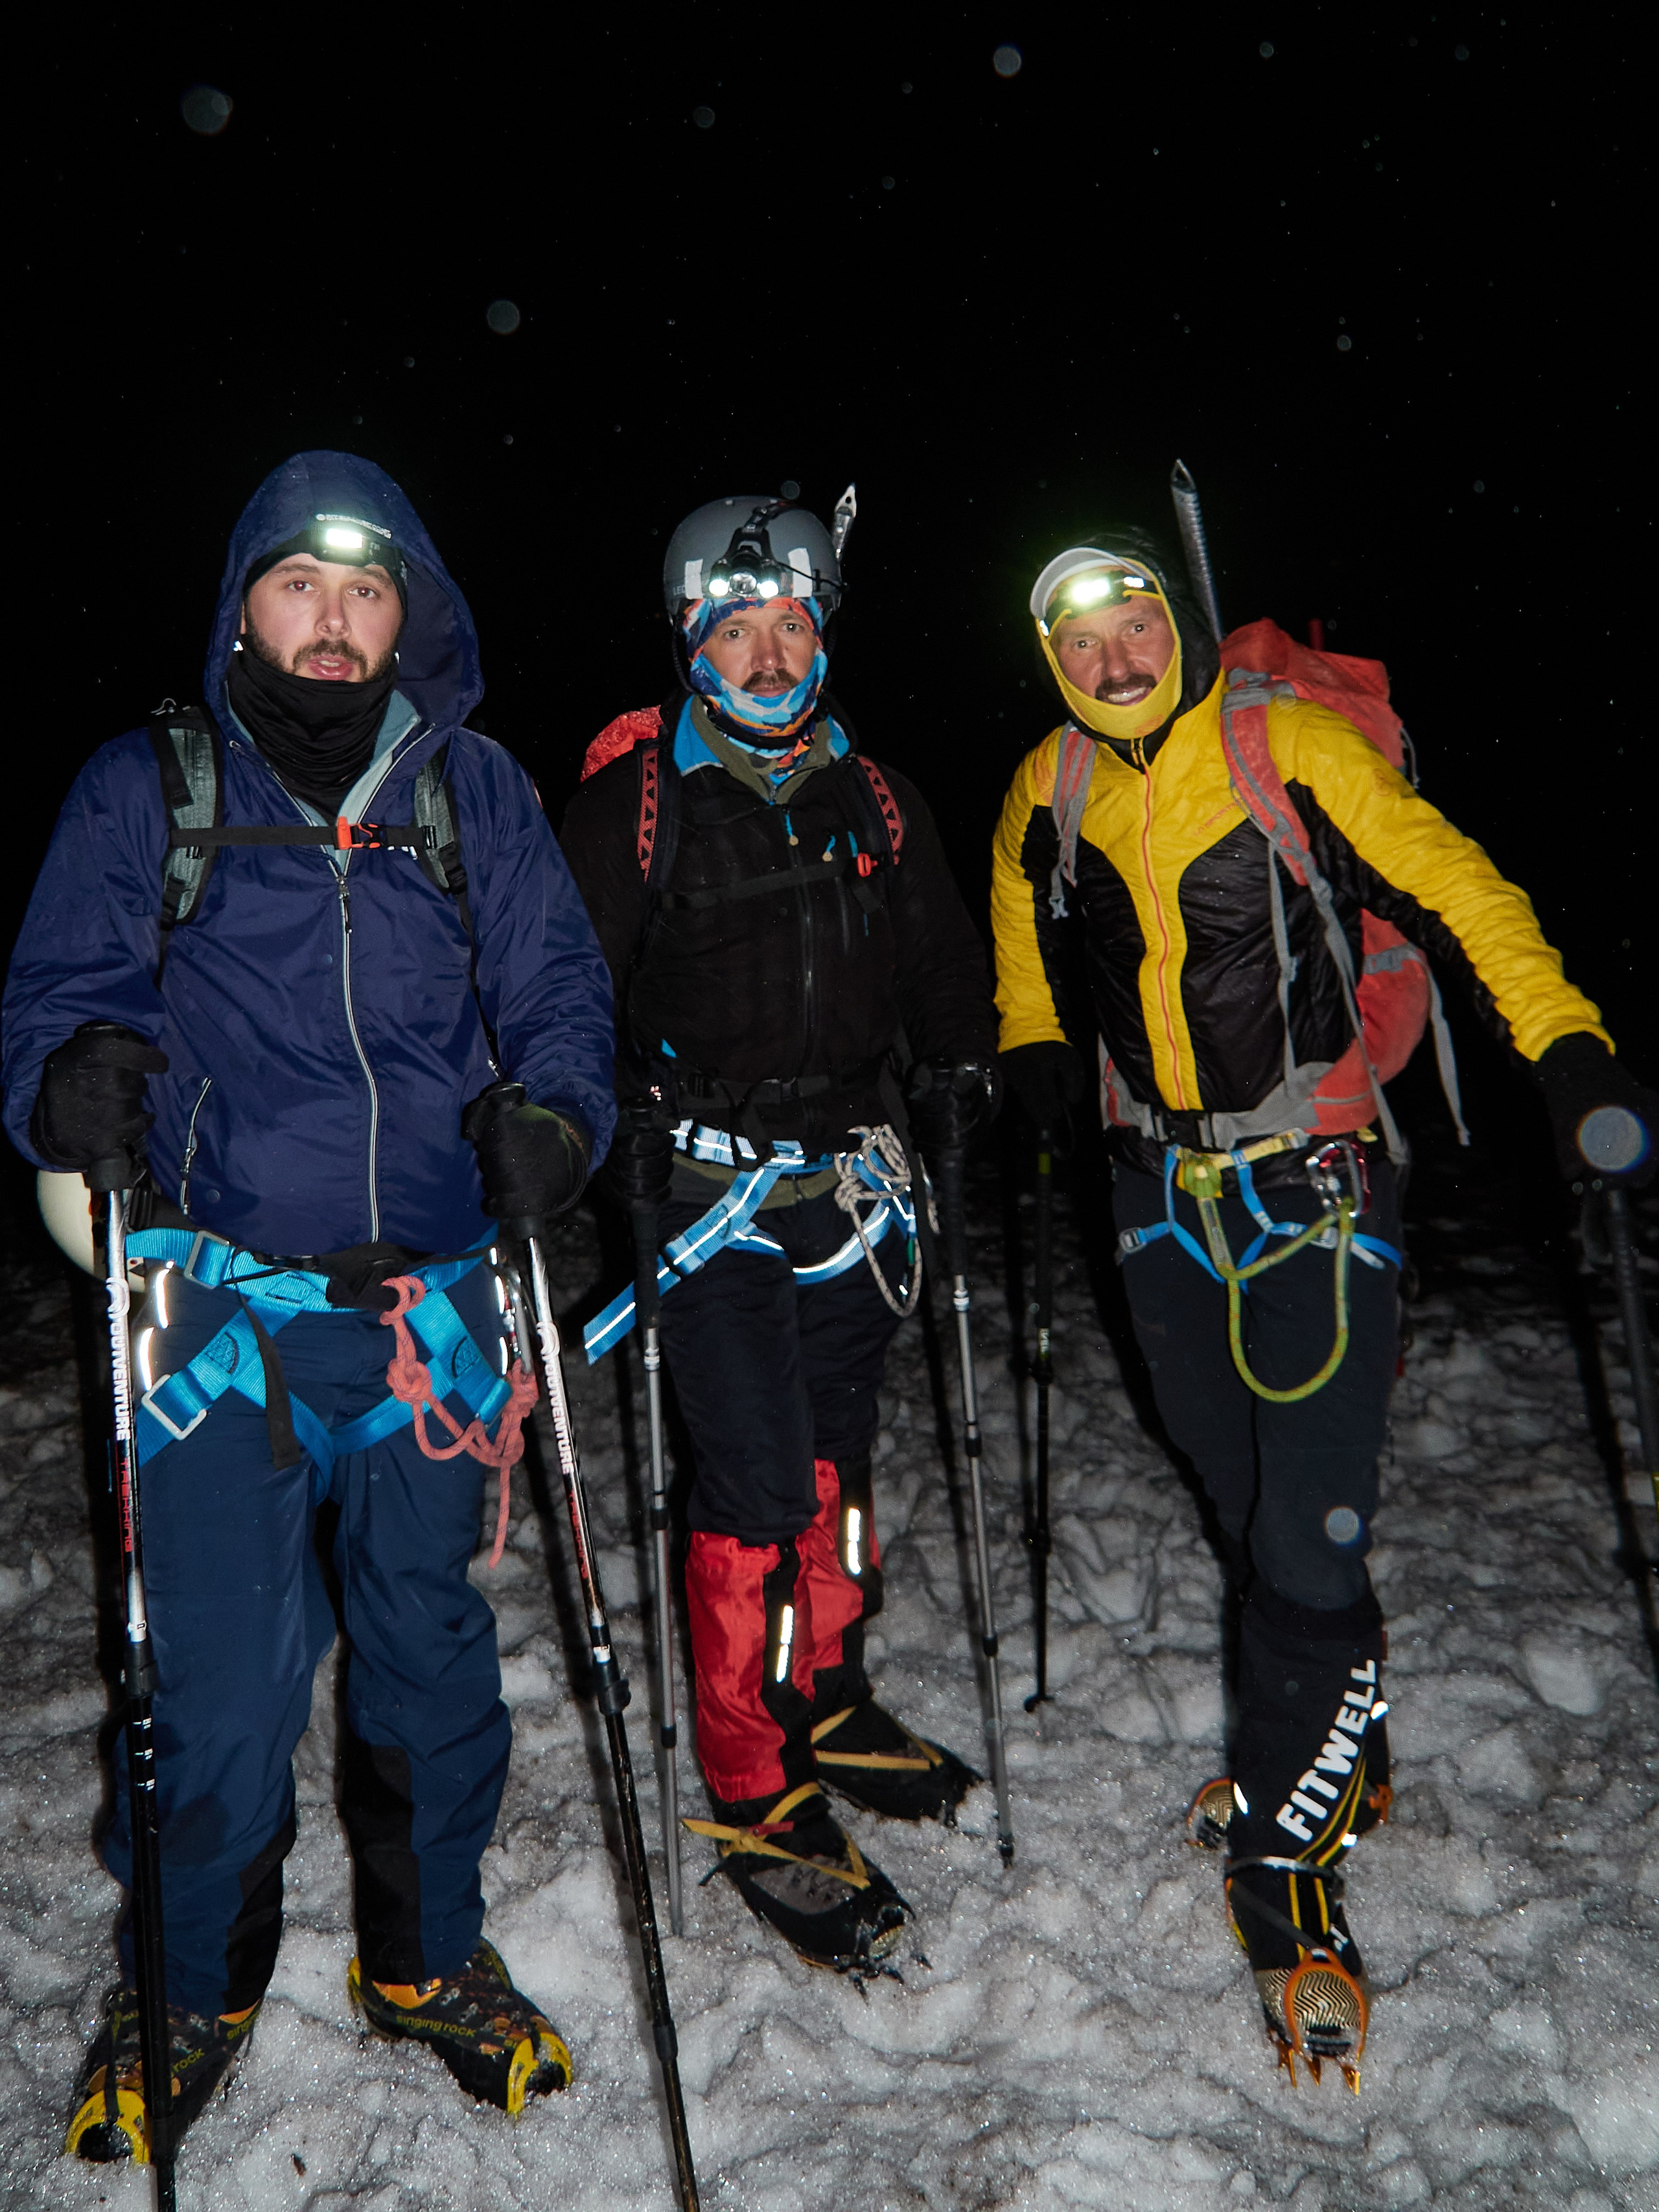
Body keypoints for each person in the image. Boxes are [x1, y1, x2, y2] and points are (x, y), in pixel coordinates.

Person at [2, 452, 616, 2160]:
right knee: (213, 1681)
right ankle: (188, 1979)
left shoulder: (472, 792)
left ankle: (423, 1962)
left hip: (425, 1320)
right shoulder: (150, 789)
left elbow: (561, 997)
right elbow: (60, 993)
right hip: (216, 1326)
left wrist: (556, 1119)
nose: (333, 623)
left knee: (431, 1665)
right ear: (243, 608)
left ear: (407, 614)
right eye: (299, 587)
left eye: (366, 592)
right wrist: (72, 1084)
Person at [990, 530, 1654, 2086]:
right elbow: (1029, 948)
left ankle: (1285, 1873)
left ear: (1177, 620)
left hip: (1318, 1187)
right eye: (1075, 639)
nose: (1110, 658)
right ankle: (1333, 1739)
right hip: (1156, 1200)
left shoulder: (1279, 746)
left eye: (1132, 621)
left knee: (1308, 1530)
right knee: (1240, 1507)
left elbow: (1457, 883)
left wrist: (1564, 1048)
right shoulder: (1047, 783)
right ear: (1050, 658)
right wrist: (1030, 1066)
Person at [560, 491, 1000, 1974]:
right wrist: (596, 1121)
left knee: (838, 1469)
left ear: (822, 631)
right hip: (704, 1200)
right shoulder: (638, 800)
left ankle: (828, 1689)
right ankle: (753, 1777)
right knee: (748, 1488)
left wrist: (959, 1067)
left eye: (789, 623)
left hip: (853, 1187)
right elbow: (567, 988)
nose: (765, 651)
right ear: (693, 644)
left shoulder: (875, 795)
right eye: (735, 629)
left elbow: (941, 955)